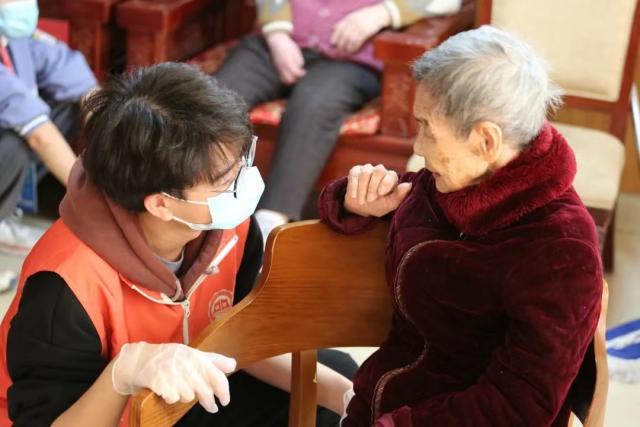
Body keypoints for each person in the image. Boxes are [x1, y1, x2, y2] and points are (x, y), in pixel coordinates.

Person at [0, 63, 355, 426]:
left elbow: (243, 335)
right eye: (225, 180)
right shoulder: (65, 286)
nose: (245, 181)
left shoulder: (230, 224)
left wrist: (341, 394)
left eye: (243, 159)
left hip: (184, 390)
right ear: (161, 204)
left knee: (338, 375)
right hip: (105, 415)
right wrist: (123, 373)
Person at [318, 26, 603, 426]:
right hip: (380, 403)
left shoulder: (562, 249)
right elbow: (398, 195)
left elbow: (518, 407)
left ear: (486, 140)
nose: (417, 146)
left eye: (427, 128)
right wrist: (353, 200)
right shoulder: (455, 179)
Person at [214, 0, 462, 240]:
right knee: (217, 97)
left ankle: (268, 225)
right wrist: (276, 34)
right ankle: (202, 199)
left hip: (350, 60)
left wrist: (384, 12)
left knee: (315, 103)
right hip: (273, 44)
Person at [0, 0, 97, 256]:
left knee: (70, 105)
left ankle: (16, 202)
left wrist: (120, 147)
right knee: (16, 145)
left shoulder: (16, 40)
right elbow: (39, 136)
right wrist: (92, 195)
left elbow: (84, 86)